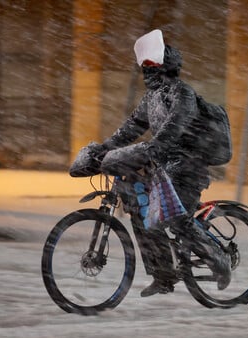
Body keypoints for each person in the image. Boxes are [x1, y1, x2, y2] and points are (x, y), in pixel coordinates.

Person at [84, 30, 231, 297]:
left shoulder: (182, 93)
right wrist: (104, 149)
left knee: (175, 220)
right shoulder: (150, 99)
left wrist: (155, 146)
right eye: (145, 66)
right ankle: (163, 275)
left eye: (152, 65)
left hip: (188, 166)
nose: (147, 71)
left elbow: (174, 127)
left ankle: (218, 260)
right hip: (163, 166)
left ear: (168, 66)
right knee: (142, 215)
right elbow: (130, 129)